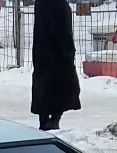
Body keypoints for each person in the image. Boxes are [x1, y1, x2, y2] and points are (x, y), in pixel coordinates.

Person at [30, 0, 80, 131]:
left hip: (43, 52)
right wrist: (69, 51)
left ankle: (45, 119)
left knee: (45, 86)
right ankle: (53, 119)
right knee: (62, 86)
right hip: (58, 54)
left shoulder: (43, 3)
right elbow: (62, 30)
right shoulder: (58, 5)